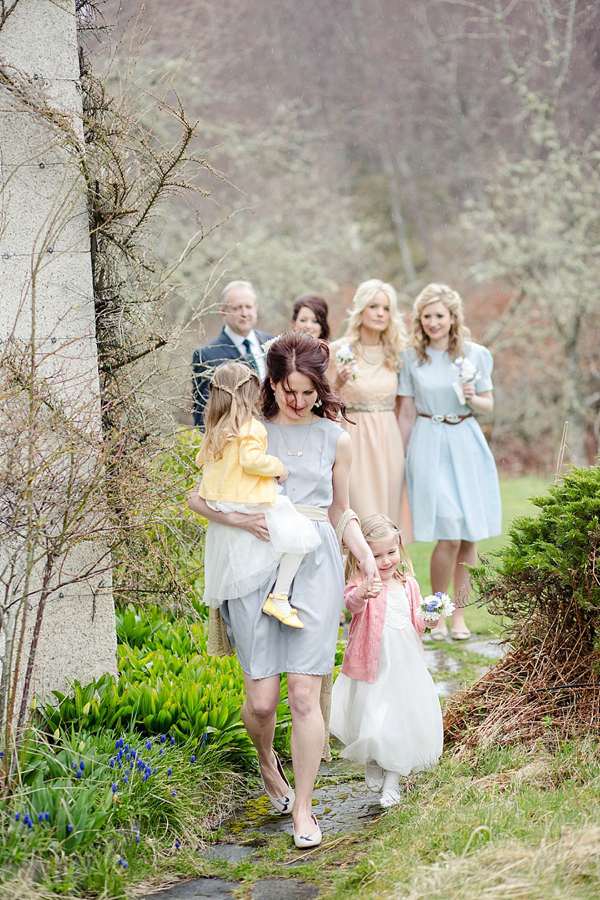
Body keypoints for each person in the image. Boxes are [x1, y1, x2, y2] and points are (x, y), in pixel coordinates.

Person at [188, 331, 378, 848]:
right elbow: (200, 494)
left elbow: (340, 510)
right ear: (272, 382)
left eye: (307, 391)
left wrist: (362, 554)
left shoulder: (336, 437)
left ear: (320, 386)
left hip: (313, 562)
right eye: (287, 390)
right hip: (255, 564)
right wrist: (240, 522)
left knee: (302, 694)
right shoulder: (247, 430)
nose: (297, 401)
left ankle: (305, 809)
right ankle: (268, 762)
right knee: (263, 700)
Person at [397, 283, 502, 640]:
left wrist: (473, 396)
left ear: (453, 317)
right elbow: (407, 411)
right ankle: (437, 613)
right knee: (449, 531)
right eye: (426, 316)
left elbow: (488, 405)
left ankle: (458, 618)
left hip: (466, 440)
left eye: (439, 315)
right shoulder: (411, 357)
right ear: (419, 320)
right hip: (429, 440)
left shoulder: (475, 354)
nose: (433, 322)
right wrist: (403, 453)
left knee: (469, 534)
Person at [330, 514, 443, 808]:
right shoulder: (361, 583)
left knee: (398, 720)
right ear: (362, 556)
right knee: (372, 719)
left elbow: (417, 621)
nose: (385, 561)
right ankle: (374, 758)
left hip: (405, 666)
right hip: (374, 666)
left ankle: (392, 783)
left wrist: (430, 619)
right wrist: (362, 594)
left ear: (400, 549)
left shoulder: (409, 585)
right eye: (376, 555)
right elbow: (350, 604)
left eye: (390, 552)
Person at [196, 361, 321, 628]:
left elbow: (201, 461)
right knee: (301, 535)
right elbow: (251, 460)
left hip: (222, 502)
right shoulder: (250, 426)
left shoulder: (216, 430)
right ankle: (279, 595)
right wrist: (278, 467)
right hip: (250, 501)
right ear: (250, 393)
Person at [328, 279, 409, 531]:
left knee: (387, 517)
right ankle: (356, 568)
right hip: (353, 437)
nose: (380, 314)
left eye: (386, 309)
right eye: (374, 306)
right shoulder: (339, 350)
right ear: (361, 309)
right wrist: (338, 381)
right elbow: (323, 401)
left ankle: (388, 570)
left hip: (389, 440)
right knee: (359, 515)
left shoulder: (396, 353)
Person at [192, 280, 273, 427]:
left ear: (256, 308)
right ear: (223, 312)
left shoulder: (272, 342)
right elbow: (203, 414)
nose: (244, 313)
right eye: (237, 308)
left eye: (248, 306)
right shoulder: (206, 355)